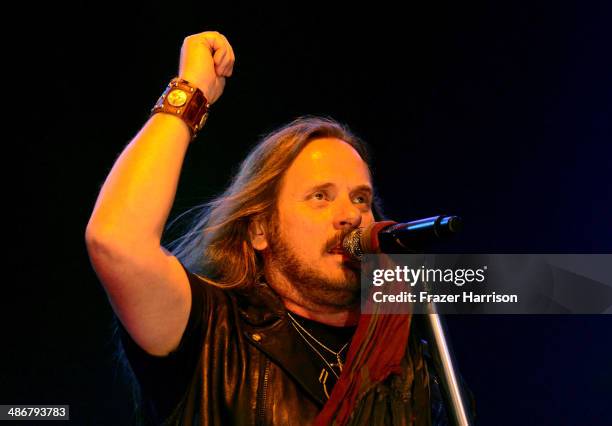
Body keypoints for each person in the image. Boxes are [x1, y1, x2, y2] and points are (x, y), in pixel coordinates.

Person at [86, 31, 457, 425]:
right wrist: (191, 92)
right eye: (320, 196)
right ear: (259, 228)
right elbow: (116, 241)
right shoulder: (211, 330)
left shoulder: (410, 360)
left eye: (361, 199)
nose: (349, 215)